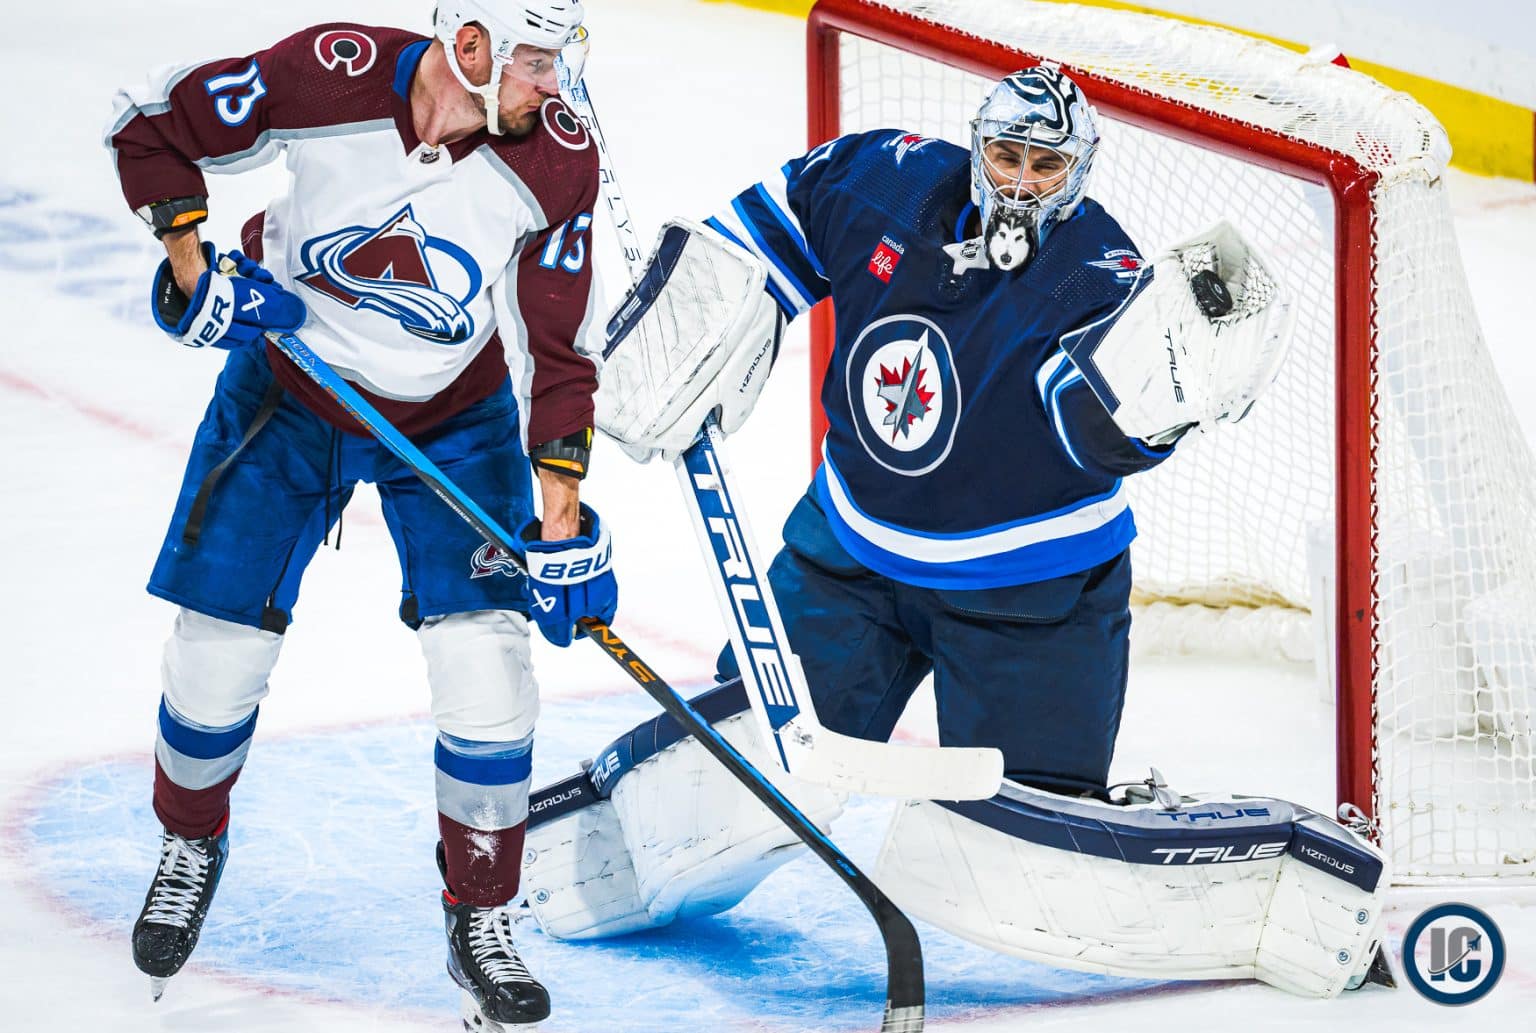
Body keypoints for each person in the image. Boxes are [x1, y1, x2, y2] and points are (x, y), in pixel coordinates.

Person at [518, 68, 1391, 1000]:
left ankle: (1260, 901)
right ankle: (591, 861)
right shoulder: (882, 183)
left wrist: (1167, 387)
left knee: (1027, 849)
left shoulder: (1100, 282)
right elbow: (781, 219)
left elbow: (1099, 426)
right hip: (850, 560)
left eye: (1045, 166)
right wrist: (697, 311)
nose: (1021, 182)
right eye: (1007, 156)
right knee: (745, 765)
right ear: (978, 147)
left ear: (1080, 171)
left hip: (1030, 600)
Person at [105, 2, 613, 1026]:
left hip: (454, 416)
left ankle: (482, 912)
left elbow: (559, 347)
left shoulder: (558, 160)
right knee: (214, 655)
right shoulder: (328, 74)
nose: (552, 86)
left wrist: (561, 518)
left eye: (560, 62)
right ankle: (191, 840)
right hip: (287, 388)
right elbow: (150, 124)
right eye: (533, 62)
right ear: (469, 46)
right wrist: (194, 272)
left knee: (488, 668)